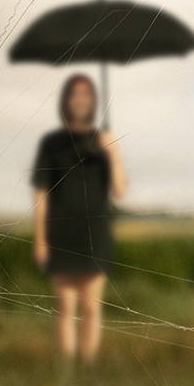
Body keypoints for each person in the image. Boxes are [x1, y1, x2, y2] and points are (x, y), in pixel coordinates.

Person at [31, 73, 127, 367]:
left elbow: (120, 191)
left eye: (86, 94)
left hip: (95, 233)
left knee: (91, 307)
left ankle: (86, 368)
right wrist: (41, 239)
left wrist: (111, 152)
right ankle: (66, 370)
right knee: (64, 306)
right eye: (75, 94)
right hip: (61, 231)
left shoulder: (104, 142)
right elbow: (41, 193)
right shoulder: (51, 143)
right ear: (66, 101)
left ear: (93, 101)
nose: (81, 99)